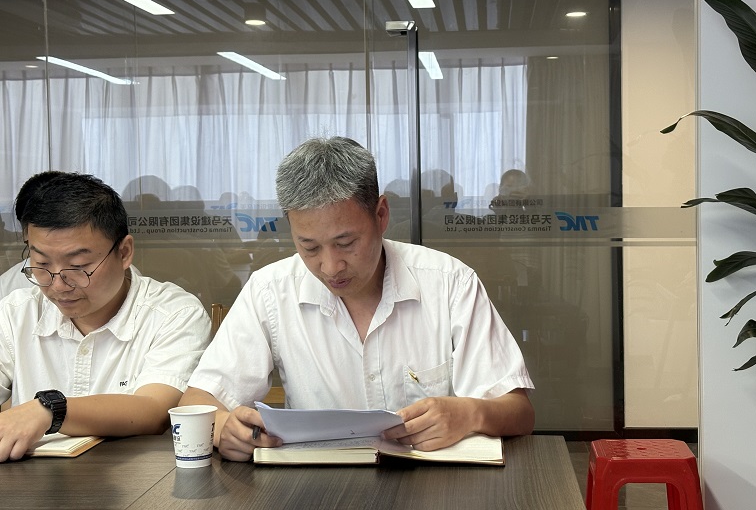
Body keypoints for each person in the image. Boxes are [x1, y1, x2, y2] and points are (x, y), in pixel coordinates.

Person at [181, 137, 535, 462]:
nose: (330, 266)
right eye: (309, 247)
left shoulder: (449, 282)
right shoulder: (270, 290)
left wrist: (471, 414)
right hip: (314, 490)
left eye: (346, 243)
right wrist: (224, 427)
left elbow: (519, 412)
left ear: (381, 215)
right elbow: (197, 401)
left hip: (431, 489)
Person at [0, 171, 212, 462]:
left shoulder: (173, 314)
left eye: (78, 266)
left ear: (124, 252)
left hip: (137, 482)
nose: (58, 285)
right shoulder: (15, 313)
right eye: (42, 264)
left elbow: (154, 410)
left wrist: (49, 410)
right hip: (30, 484)